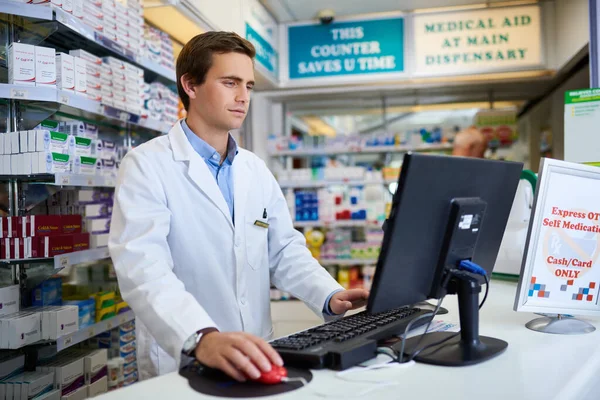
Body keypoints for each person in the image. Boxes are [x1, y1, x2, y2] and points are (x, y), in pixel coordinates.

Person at [108, 32, 369, 382]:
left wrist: (329, 295)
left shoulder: (254, 169)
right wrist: (200, 336)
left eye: (248, 85)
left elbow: (284, 250)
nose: (243, 97)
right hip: (186, 358)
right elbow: (142, 270)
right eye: (230, 82)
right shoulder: (147, 164)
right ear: (191, 85)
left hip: (258, 350)